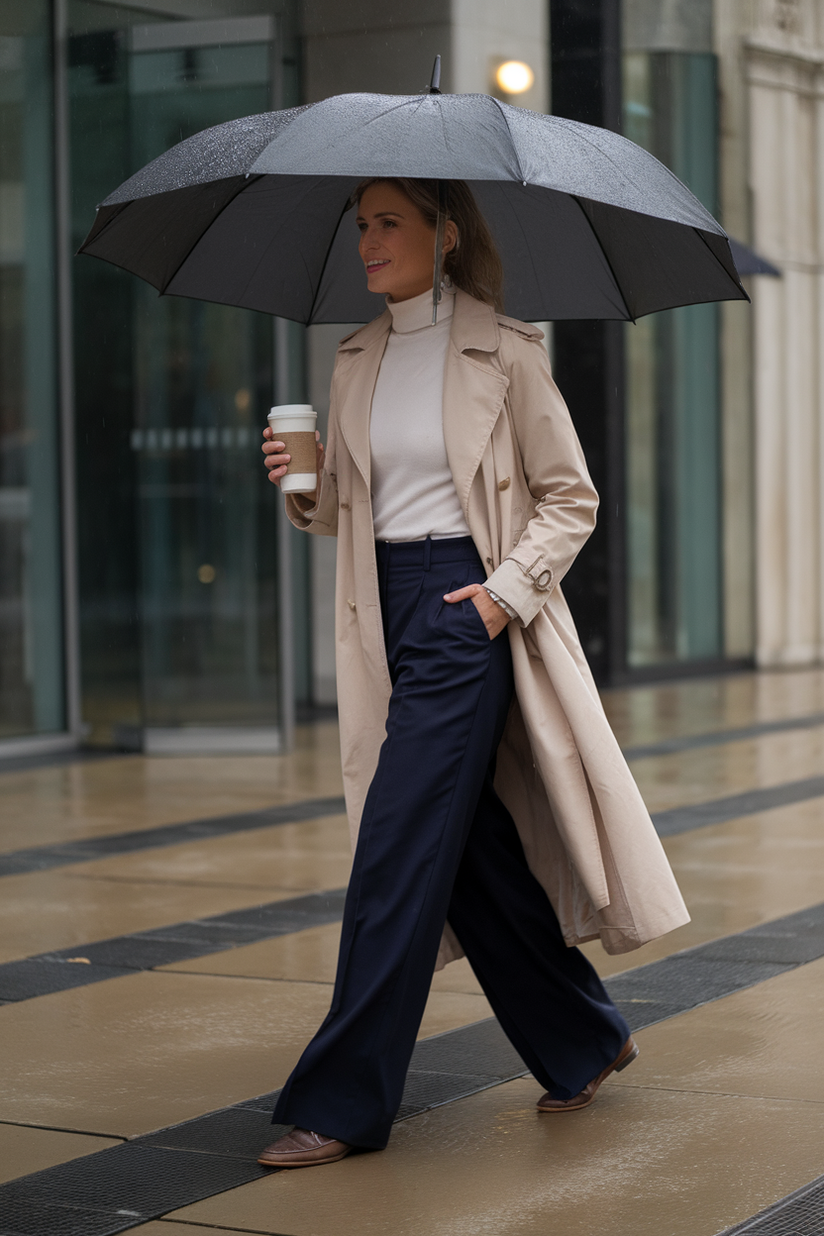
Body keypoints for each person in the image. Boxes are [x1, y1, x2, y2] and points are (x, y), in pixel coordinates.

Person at [258, 178, 689, 1168]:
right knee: (465, 853)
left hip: (467, 607)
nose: (367, 241)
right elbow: (343, 513)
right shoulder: (354, 356)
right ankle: (581, 1037)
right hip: (383, 611)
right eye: (360, 224)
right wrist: (301, 476)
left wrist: (500, 594)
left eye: (388, 223)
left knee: (395, 851)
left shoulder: (507, 349)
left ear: (445, 236)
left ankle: (342, 1099)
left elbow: (568, 497)